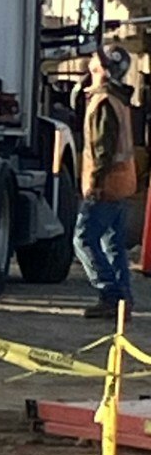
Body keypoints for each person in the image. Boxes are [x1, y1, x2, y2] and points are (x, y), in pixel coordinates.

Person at [74, 43, 138, 320]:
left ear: (103, 69)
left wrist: (96, 184)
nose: (90, 64)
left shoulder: (103, 103)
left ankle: (111, 295)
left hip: (107, 184)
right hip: (122, 182)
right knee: (113, 243)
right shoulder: (118, 99)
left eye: (95, 62)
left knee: (83, 239)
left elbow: (103, 149)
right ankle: (123, 299)